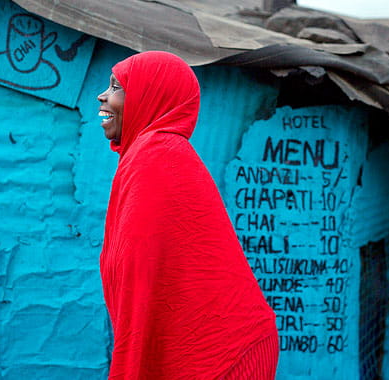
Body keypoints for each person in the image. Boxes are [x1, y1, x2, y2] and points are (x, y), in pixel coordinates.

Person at [97, 51, 278, 380]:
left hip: (221, 358)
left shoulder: (156, 155)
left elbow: (142, 277)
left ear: (151, 96)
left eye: (116, 87)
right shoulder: (150, 153)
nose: (103, 95)